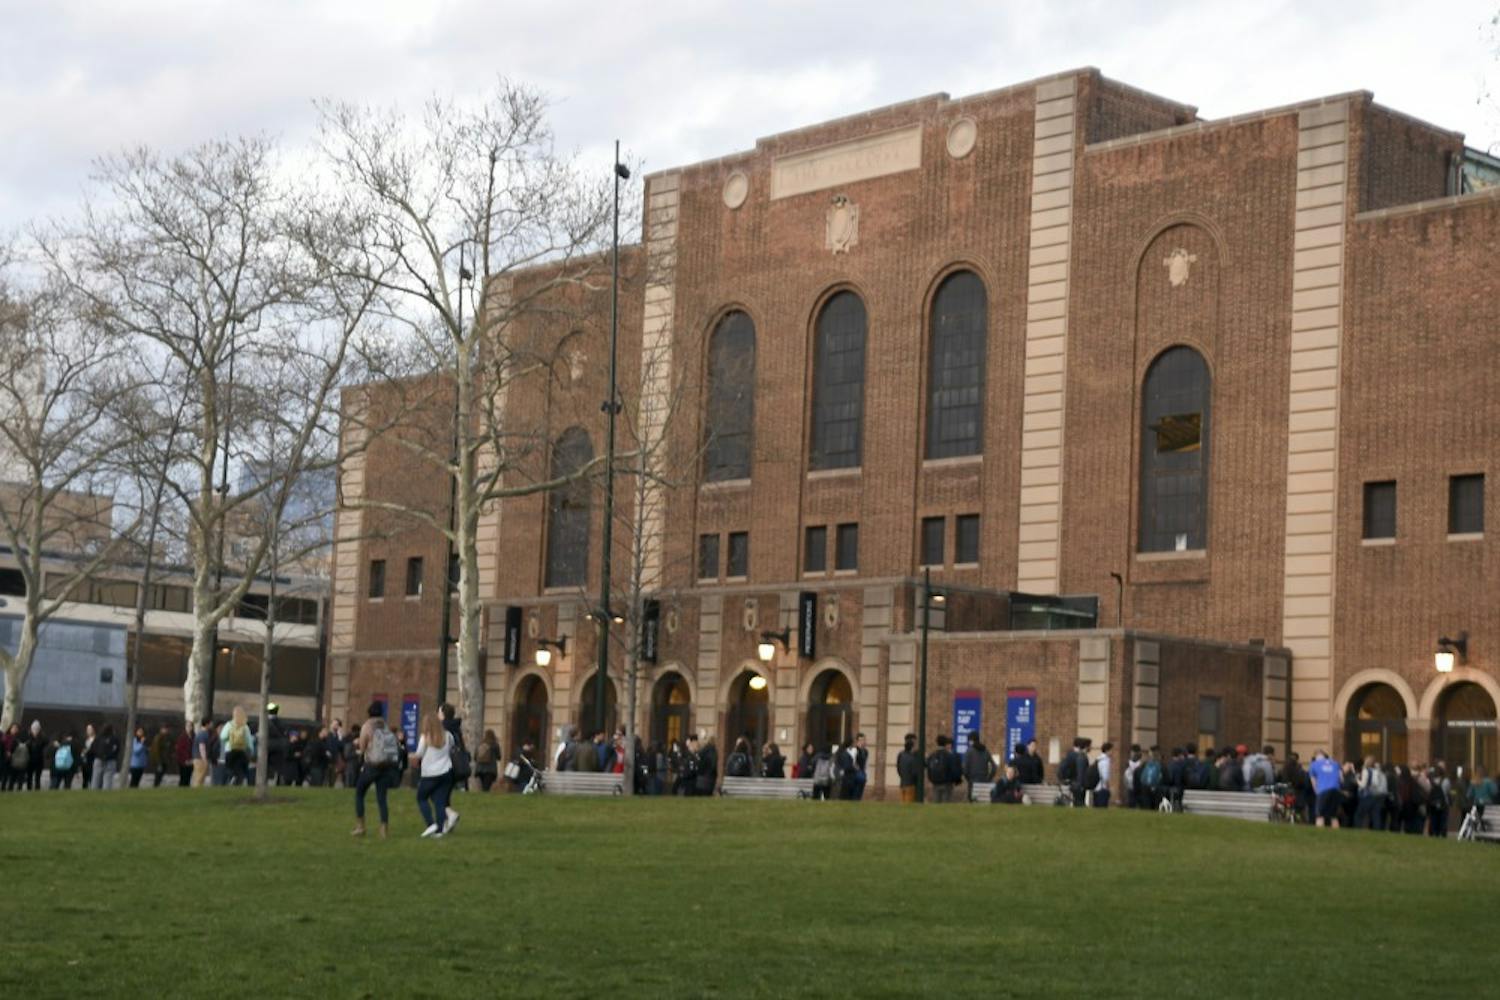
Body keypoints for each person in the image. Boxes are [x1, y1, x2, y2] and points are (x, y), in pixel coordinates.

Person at [353, 701, 399, 838]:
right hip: (386, 766)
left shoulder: (367, 726)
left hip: (372, 765)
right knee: (382, 798)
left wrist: (360, 749)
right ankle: (384, 830)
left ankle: (361, 826)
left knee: (359, 793)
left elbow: (362, 747)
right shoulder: (385, 726)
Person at [413, 712, 459, 838]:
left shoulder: (425, 737)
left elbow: (419, 754)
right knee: (440, 801)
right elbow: (452, 748)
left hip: (430, 773)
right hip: (446, 771)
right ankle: (439, 830)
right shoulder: (448, 735)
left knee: (421, 798)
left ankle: (430, 823)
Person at [1306, 750, 1342, 828]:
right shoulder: (1335, 764)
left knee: (1320, 815)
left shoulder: (1313, 765)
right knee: (1334, 816)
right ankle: (1337, 835)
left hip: (1323, 790)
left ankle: (1319, 835)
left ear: (1316, 757)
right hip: (1335, 790)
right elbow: (1341, 778)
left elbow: (1313, 781)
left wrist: (1317, 793)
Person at [220, 706, 254, 786]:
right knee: (240, 770)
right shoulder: (245, 727)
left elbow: (222, 737)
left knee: (229, 768)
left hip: (230, 750)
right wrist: (251, 752)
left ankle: (231, 779)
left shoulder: (229, 725)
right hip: (242, 751)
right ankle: (237, 782)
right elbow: (249, 741)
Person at [1354, 755, 1387, 830]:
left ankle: (1357, 828)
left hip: (1366, 795)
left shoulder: (1366, 771)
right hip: (1376, 795)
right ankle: (1377, 831)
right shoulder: (1377, 771)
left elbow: (1363, 785)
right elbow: (1376, 783)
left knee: (1359, 814)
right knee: (1376, 815)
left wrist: (1357, 780)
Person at [926, 735, 960, 803]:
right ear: (945, 744)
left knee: (936, 803)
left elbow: (928, 768)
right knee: (946, 804)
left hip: (935, 783)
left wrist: (931, 779)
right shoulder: (949, 755)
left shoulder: (932, 755)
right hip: (947, 783)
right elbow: (953, 770)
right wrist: (956, 780)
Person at [963, 734, 996, 802]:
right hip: (984, 780)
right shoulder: (986, 751)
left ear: (971, 741)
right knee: (984, 801)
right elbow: (994, 767)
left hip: (972, 780)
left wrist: (968, 778)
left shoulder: (969, 751)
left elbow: (965, 768)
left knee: (972, 801)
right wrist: (989, 778)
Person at [1427, 765, 1451, 837]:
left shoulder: (1432, 780)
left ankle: (1434, 832)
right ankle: (1442, 833)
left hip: (1434, 803)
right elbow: (1447, 791)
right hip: (1444, 804)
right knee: (1443, 820)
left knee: (1434, 819)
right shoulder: (1446, 781)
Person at [896, 734, 922, 803]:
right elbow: (915, 772)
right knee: (909, 803)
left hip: (903, 783)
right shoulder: (913, 756)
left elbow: (899, 769)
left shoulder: (901, 754)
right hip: (911, 784)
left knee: (903, 802)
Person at [191, 717, 214, 787]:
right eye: (211, 723)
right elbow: (202, 747)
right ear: (207, 724)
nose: (212, 725)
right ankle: (196, 793)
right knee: (199, 778)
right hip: (200, 759)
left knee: (200, 778)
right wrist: (204, 759)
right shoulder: (203, 734)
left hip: (198, 759)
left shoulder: (202, 733)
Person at [1092, 742, 1114, 808]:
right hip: (1102, 789)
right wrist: (1109, 787)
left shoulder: (1098, 759)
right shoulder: (1105, 761)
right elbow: (1105, 777)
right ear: (1107, 750)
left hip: (1095, 787)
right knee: (1102, 809)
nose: (1112, 752)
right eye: (1112, 750)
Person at [848, 733, 869, 801]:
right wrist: (856, 768)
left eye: (863, 740)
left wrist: (865, 773)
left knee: (860, 791)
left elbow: (866, 763)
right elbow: (852, 761)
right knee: (855, 791)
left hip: (862, 773)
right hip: (855, 773)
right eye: (861, 740)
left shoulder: (865, 751)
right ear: (857, 741)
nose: (863, 742)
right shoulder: (854, 750)